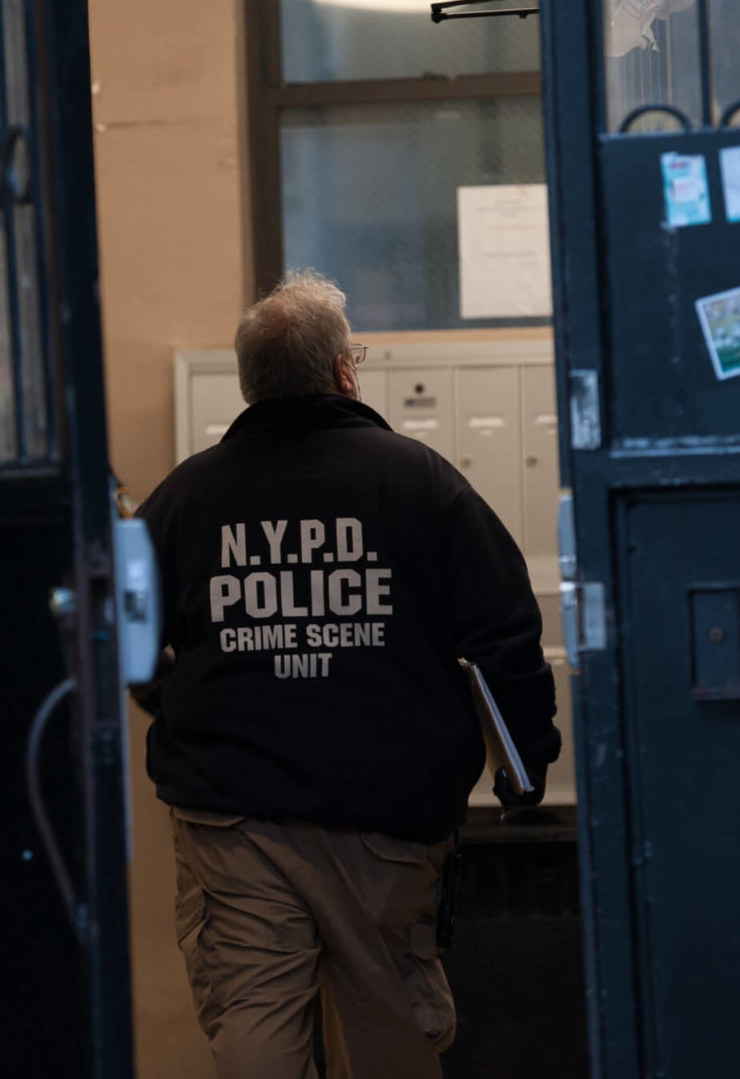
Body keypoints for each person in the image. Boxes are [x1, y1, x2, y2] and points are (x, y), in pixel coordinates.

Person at [132, 269, 561, 1079]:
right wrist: (527, 764)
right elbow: (504, 631)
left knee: (255, 1024)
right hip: (386, 815)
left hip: (234, 817)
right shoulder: (420, 482)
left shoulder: (188, 496)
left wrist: (171, 705)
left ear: (252, 385)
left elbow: (114, 625)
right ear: (341, 370)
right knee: (389, 1023)